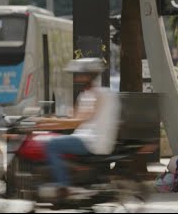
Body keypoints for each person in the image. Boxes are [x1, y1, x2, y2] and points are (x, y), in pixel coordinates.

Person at [35, 58, 121, 198]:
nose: (76, 78)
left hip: (93, 141)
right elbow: (72, 119)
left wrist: (44, 122)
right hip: (83, 138)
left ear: (89, 75)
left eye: (79, 74)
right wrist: (45, 123)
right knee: (45, 140)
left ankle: (64, 185)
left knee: (51, 145)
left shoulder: (100, 95)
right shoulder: (86, 95)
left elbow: (77, 121)